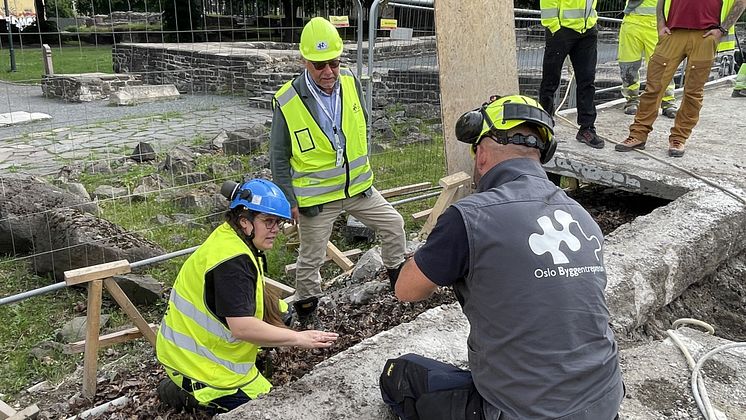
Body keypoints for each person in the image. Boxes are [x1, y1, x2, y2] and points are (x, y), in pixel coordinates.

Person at [386, 95, 624, 420]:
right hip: (605, 399)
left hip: (525, 413)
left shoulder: (470, 216)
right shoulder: (582, 216)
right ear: (541, 154)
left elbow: (406, 290)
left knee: (399, 375)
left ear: (481, 153)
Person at [155, 179, 339, 413]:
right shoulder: (232, 262)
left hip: (197, 346)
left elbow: (250, 293)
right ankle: (185, 393)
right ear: (245, 221)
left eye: (279, 222)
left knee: (282, 315)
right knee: (266, 409)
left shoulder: (233, 239)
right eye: (268, 221)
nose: (275, 229)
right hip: (201, 365)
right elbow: (242, 328)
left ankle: (184, 385)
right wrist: (299, 338)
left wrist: (281, 317)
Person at [270, 17, 406, 328]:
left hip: (358, 190)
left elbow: (361, 124)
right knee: (310, 259)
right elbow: (279, 156)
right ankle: (307, 312)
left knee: (394, 225)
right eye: (320, 65)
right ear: (304, 61)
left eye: (334, 62)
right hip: (317, 201)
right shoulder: (288, 100)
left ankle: (399, 282)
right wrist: (289, 199)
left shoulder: (351, 83)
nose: (329, 72)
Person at [616, 0, 746, 157]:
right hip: (673, 32)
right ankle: (638, 134)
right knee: (654, 87)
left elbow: (741, 2)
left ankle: (679, 138)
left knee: (693, 92)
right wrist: (660, 23)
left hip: (706, 35)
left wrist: (723, 29)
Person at [539, 0, 603, 149]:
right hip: (561, 30)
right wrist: (554, 26)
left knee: (587, 80)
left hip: (587, 31)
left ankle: (587, 128)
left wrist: (592, 23)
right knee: (550, 80)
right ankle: (543, 126)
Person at [618, 0, 678, 117]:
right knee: (628, 64)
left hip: (657, 25)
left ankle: (668, 101)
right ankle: (632, 99)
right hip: (632, 22)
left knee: (662, 65)